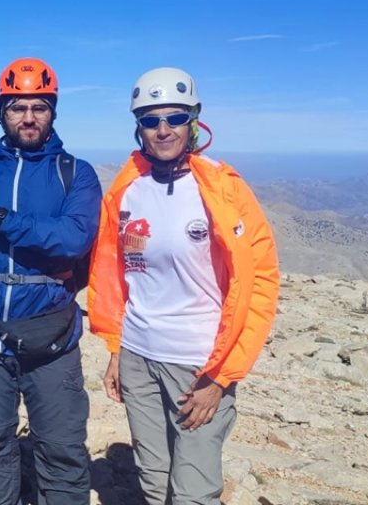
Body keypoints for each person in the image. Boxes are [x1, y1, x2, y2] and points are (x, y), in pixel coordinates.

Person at [87, 67, 280, 504]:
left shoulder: (221, 190)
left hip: (197, 366)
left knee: (193, 490)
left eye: (174, 118)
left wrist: (220, 377)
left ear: (193, 120)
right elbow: (115, 275)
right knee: (154, 479)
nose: (163, 129)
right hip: (138, 356)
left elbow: (260, 282)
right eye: (151, 120)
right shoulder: (127, 188)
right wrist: (116, 350)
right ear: (139, 127)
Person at [0, 58, 101, 504]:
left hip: (52, 338)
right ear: (1, 112)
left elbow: (73, 239)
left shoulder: (75, 173)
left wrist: (2, 219)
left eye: (39, 107)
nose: (28, 117)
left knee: (62, 450)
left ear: (53, 112)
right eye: (17, 107)